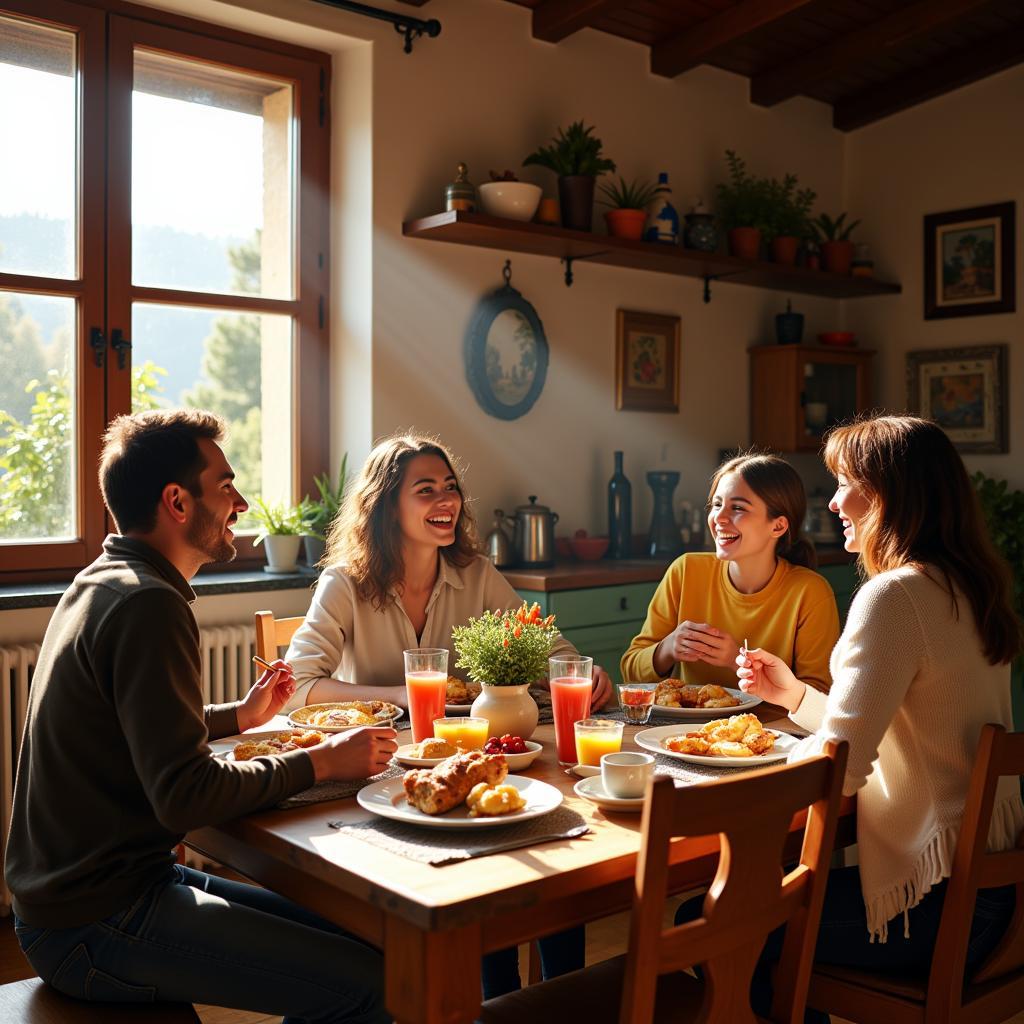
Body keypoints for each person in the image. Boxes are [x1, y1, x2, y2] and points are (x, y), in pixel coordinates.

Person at [4, 410, 397, 1023]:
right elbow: (185, 798)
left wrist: (236, 717)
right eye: (226, 485)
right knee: (376, 982)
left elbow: (129, 720)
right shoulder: (148, 605)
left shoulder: (105, 581)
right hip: (95, 921)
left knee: (368, 938)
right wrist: (321, 761)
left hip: (96, 896)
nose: (239, 502)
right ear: (177, 502)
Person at [283, 432, 612, 997]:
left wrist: (578, 671)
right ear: (386, 505)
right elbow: (298, 689)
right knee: (487, 867)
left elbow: (547, 648)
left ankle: (559, 996)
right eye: (426, 489)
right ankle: (498, 993)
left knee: (553, 845)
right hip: (389, 774)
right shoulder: (345, 583)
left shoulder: (476, 574)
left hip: (478, 760)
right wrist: (398, 698)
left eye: (452, 488)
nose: (447, 501)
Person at [733, 415, 1023, 1018]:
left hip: (939, 908)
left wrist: (735, 773)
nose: (834, 500)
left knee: (725, 925)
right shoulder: (967, 587)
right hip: (997, 899)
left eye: (845, 482)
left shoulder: (895, 596)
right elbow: (891, 728)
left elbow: (838, 767)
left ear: (889, 493)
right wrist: (795, 698)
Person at [621, 452, 839, 693]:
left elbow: (819, 695)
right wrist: (667, 648)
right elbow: (631, 671)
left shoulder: (810, 592)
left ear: (777, 526)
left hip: (774, 730)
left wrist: (737, 662)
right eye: (716, 505)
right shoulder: (685, 571)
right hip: (687, 729)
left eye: (737, 508)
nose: (719, 518)